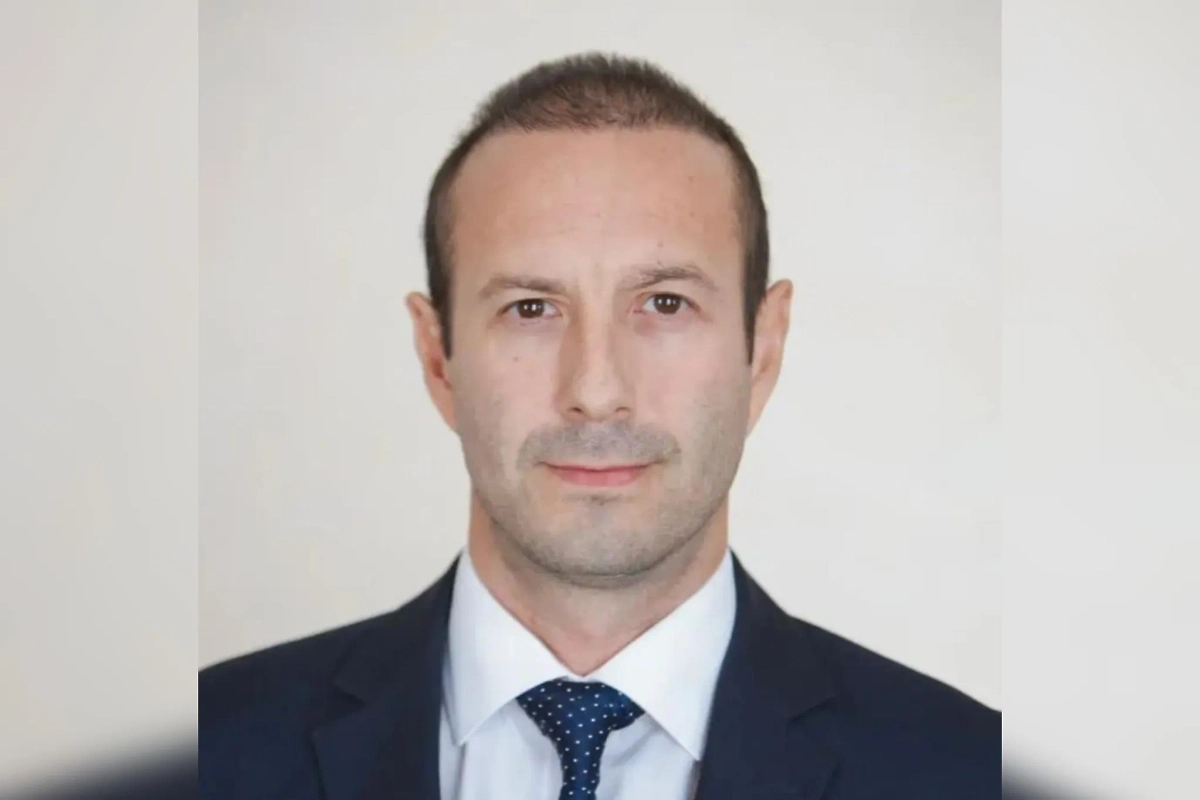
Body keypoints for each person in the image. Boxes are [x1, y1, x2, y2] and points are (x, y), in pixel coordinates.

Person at [199, 52, 1000, 800]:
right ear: (438, 357)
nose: (595, 390)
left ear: (763, 349)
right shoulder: (209, 751)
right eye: (531, 308)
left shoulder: (968, 772)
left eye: (664, 303)